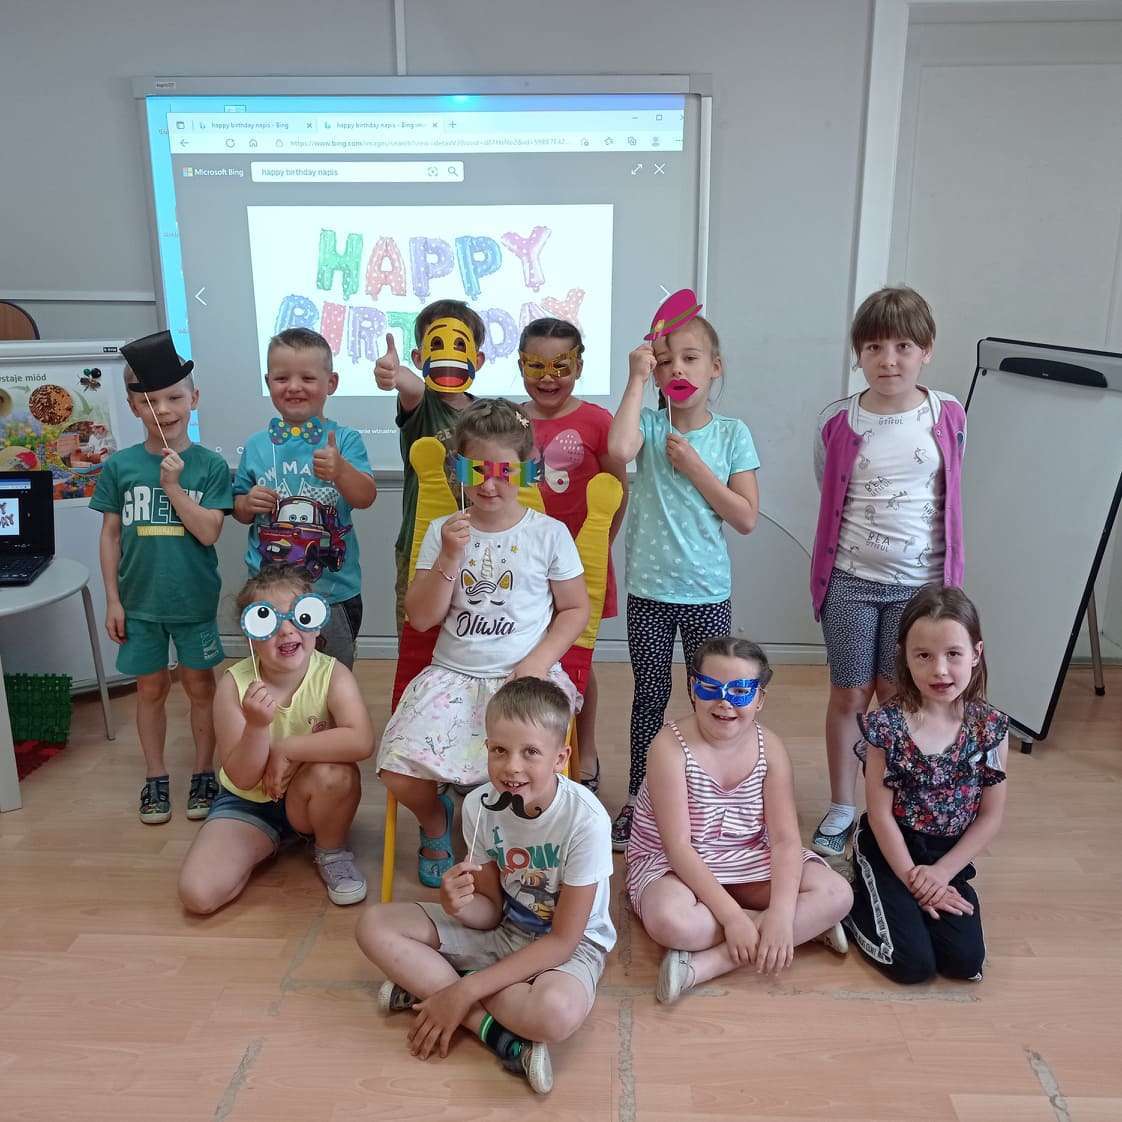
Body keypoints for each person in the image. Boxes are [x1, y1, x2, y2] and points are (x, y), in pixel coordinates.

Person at [357, 677, 614, 1095]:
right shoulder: (479, 806)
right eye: (499, 750)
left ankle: (437, 985)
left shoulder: (587, 820)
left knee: (554, 1015)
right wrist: (457, 905)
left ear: (561, 758)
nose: (512, 767)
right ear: (487, 748)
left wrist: (465, 989)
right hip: (505, 931)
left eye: (531, 752)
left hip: (569, 947)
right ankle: (488, 1029)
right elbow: (491, 910)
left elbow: (563, 941)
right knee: (374, 925)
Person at [377, 398, 590, 887]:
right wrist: (450, 556)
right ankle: (437, 822)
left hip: (522, 679)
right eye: (478, 470)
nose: (490, 485)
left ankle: (510, 839)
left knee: (519, 771)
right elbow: (422, 617)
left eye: (504, 472)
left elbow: (575, 609)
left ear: (528, 469)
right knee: (397, 770)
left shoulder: (549, 534)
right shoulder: (443, 532)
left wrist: (537, 662)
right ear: (458, 467)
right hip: (452, 676)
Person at [809, 287, 966, 857]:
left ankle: (895, 801)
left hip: (921, 590)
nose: (888, 360)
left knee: (900, 697)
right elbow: (830, 491)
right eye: (874, 347)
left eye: (903, 346)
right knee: (851, 693)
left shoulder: (947, 414)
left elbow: (948, 492)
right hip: (850, 582)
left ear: (926, 350)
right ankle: (842, 803)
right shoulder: (838, 420)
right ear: (859, 354)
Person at [626, 637, 852, 1003]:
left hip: (746, 856)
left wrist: (782, 916)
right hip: (675, 866)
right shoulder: (669, 748)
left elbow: (785, 840)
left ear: (760, 698)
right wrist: (733, 918)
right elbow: (678, 847)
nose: (725, 702)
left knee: (838, 893)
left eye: (741, 691)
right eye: (710, 688)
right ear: (693, 688)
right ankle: (805, 928)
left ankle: (704, 966)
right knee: (670, 921)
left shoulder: (771, 749)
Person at [607, 311, 760, 849]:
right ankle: (640, 797)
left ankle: (705, 794)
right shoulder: (650, 427)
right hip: (649, 592)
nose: (678, 369)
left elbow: (745, 517)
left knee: (711, 698)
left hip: (706, 595)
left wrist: (696, 467)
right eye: (666, 360)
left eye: (691, 358)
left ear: (715, 367)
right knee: (649, 696)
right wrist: (635, 378)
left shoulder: (732, 434)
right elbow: (618, 450)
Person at [91, 330, 232, 825]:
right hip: (140, 603)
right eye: (150, 401)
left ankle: (203, 772)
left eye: (175, 397)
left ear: (194, 398)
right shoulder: (120, 466)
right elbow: (110, 535)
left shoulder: (210, 466)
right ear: (134, 407)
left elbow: (209, 531)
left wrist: (172, 486)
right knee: (149, 689)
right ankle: (155, 777)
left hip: (193, 601)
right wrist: (113, 599)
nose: (164, 410)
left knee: (200, 687)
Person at [177, 565, 375, 912]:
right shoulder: (233, 685)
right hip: (248, 803)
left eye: (300, 616)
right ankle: (268, 840)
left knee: (337, 773)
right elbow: (242, 778)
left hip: (309, 795)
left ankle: (330, 850)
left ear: (316, 623)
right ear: (250, 633)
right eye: (267, 620)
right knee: (198, 894)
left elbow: (361, 741)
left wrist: (287, 748)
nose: (286, 630)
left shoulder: (333, 674)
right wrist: (256, 727)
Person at [845, 585, 1008, 984]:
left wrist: (940, 874)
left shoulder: (990, 728)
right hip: (891, 850)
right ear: (904, 656)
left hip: (947, 857)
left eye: (953, 654)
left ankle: (915, 903)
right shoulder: (886, 727)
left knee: (964, 964)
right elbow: (880, 816)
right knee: (910, 964)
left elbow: (990, 816)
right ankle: (851, 902)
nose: (940, 670)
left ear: (976, 653)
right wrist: (915, 880)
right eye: (924, 655)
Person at [519, 316, 628, 793]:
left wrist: (599, 547)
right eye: (537, 366)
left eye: (560, 366)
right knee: (526, 651)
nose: (549, 378)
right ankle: (527, 747)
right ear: (520, 365)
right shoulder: (512, 421)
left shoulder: (598, 422)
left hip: (580, 565)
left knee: (578, 657)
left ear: (579, 367)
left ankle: (585, 749)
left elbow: (617, 490)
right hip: (523, 563)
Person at [233, 327, 376, 668]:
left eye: (308, 378)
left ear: (331, 383)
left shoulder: (345, 440)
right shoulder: (256, 445)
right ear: (268, 382)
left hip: (333, 592)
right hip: (267, 592)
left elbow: (365, 497)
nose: (294, 387)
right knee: (273, 673)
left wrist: (341, 470)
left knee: (333, 673)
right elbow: (239, 509)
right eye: (282, 378)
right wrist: (247, 503)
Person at [373, 299, 483, 634]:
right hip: (421, 543)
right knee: (418, 635)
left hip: (474, 544)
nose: (449, 354)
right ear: (419, 357)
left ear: (477, 359)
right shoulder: (422, 405)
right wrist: (395, 375)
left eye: (460, 345)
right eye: (436, 344)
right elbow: (411, 387)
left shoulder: (486, 415)